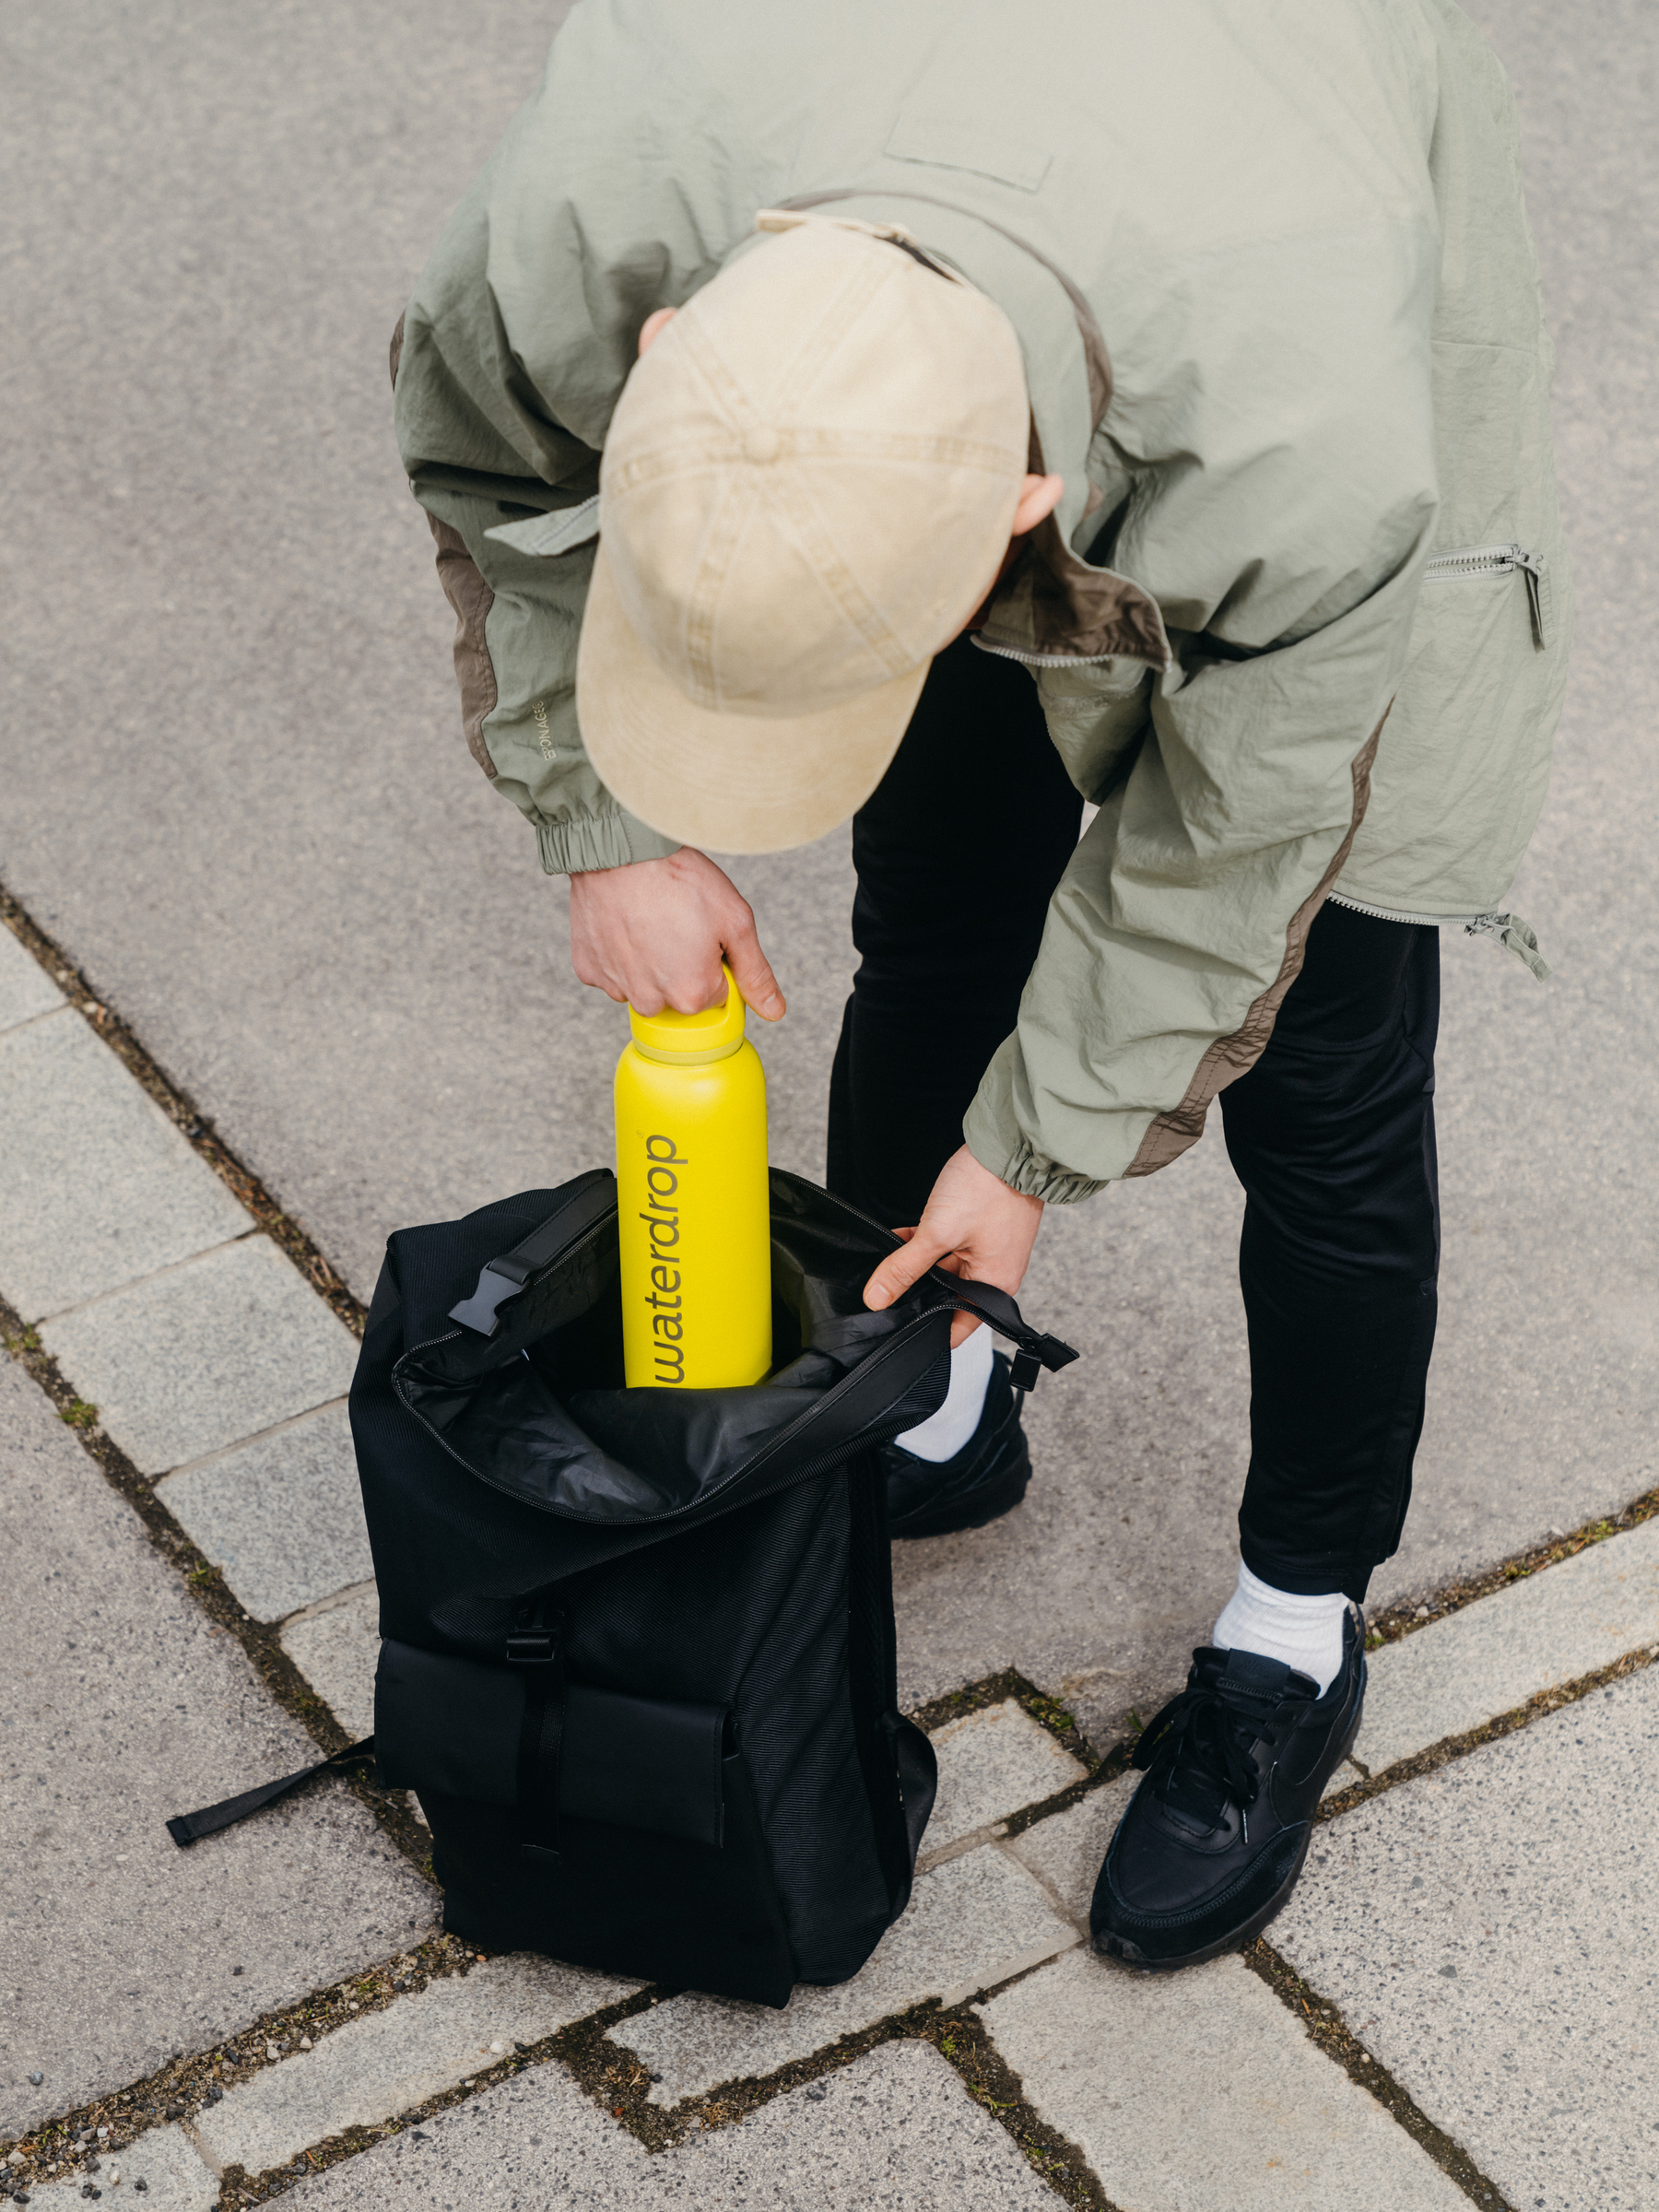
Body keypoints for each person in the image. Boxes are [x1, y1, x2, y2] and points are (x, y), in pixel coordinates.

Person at [392, 0, 1570, 1969]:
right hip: (945, 144)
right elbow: (486, 458)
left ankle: (1297, 1625)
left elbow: (1235, 856)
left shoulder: (1304, 443)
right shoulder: (591, 206)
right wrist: (599, 816)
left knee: (1334, 1076)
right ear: (669, 345)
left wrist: (1036, 1151)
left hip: (1267, 153)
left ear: (1022, 512)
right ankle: (942, 1403)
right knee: (946, 894)